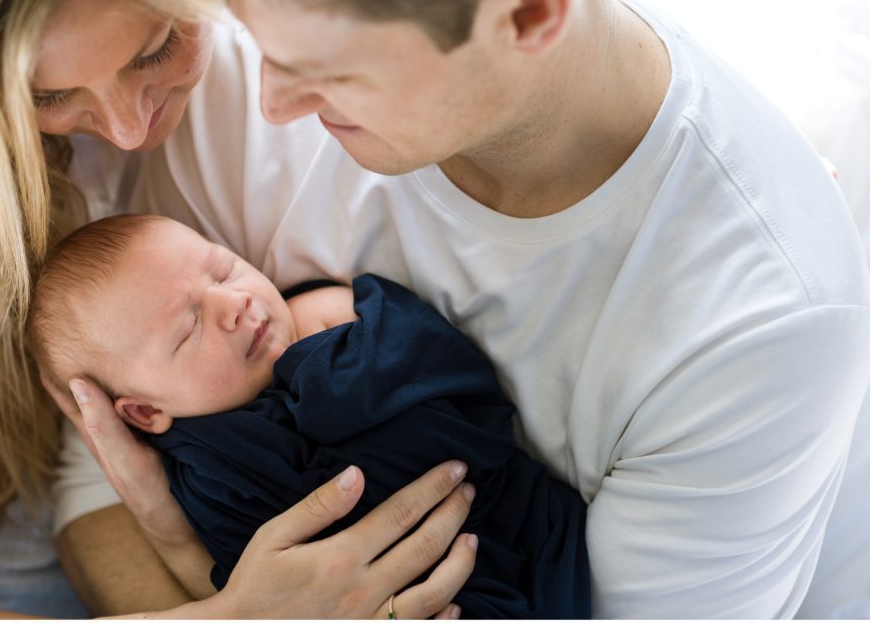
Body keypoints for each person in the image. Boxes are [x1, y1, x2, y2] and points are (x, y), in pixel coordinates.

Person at [53, 0, 870, 618]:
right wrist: (203, 574)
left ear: (528, 14)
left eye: (330, 71)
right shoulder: (264, 32)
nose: (274, 102)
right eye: (265, 50)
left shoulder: (761, 326)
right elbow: (100, 484)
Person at [0, 0, 475, 619]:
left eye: (153, 50)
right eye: (50, 94)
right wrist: (227, 612)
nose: (126, 129)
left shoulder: (273, 108)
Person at [29, 213, 592, 618]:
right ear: (146, 412)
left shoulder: (327, 318)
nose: (234, 303)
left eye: (222, 271)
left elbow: (465, 394)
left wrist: (328, 368)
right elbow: (246, 576)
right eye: (189, 328)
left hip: (508, 530)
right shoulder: (205, 471)